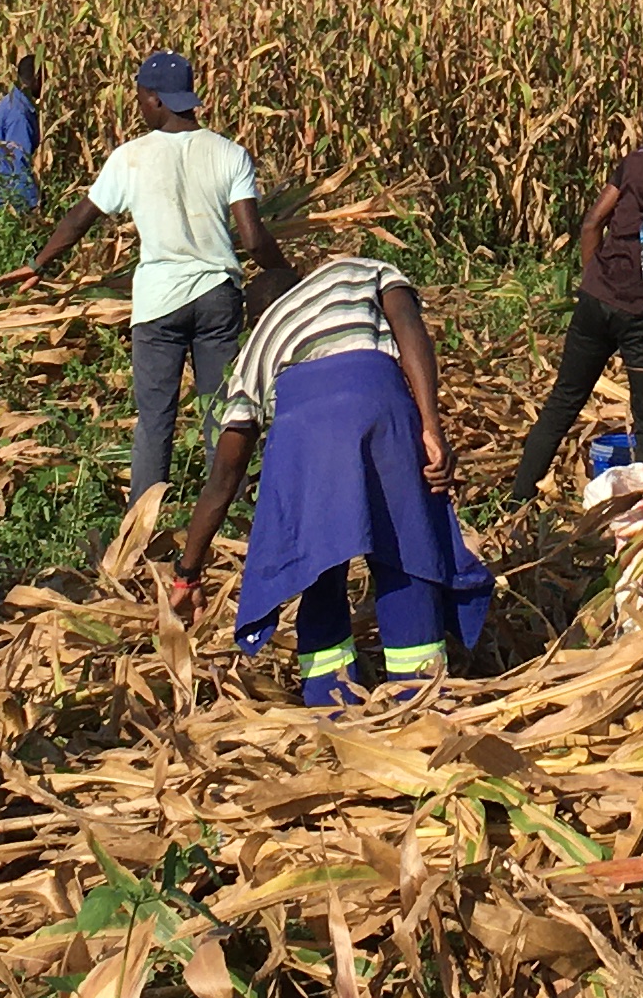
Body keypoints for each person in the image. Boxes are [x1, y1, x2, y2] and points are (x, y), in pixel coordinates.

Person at [164, 239, 490, 706]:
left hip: (305, 433)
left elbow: (225, 473)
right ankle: (419, 698)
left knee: (317, 565)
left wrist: (187, 573)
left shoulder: (259, 344)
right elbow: (408, 327)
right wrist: (432, 426)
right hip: (379, 402)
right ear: (300, 283)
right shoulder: (361, 270)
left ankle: (331, 703)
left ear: (257, 316)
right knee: (406, 552)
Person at [0, 50, 262, 504]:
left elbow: (82, 216)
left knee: (155, 418)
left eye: (141, 96)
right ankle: (231, 516)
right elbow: (253, 238)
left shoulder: (131, 158)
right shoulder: (229, 153)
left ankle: (144, 520)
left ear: (156, 99)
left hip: (159, 304)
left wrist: (40, 264)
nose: (139, 105)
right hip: (218, 297)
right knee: (220, 411)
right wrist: (284, 275)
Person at [505, 78, 643, 503]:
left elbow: (592, 221)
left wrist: (597, 280)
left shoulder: (641, 156)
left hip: (597, 300)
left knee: (562, 404)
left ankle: (516, 502)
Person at [0, 53, 44, 214]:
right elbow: (18, 160)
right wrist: (32, 203)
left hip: (1, 191)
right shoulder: (19, 114)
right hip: (11, 199)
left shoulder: (10, 101)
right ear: (37, 78)